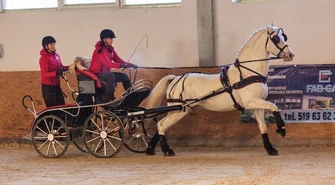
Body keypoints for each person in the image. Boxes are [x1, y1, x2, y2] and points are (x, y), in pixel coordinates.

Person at [90, 29, 137, 102]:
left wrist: (130, 64)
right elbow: (107, 63)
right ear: (104, 39)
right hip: (97, 73)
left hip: (105, 72)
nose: (112, 41)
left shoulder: (110, 50)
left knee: (124, 76)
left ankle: (131, 95)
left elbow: (118, 60)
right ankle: (109, 98)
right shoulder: (100, 50)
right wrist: (121, 65)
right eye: (110, 39)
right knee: (110, 76)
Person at [39, 36, 69, 107]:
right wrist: (56, 73)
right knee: (53, 108)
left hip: (56, 85)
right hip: (48, 87)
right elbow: (44, 74)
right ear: (46, 46)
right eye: (51, 44)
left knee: (62, 106)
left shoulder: (56, 55)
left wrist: (71, 67)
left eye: (54, 44)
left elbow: (61, 67)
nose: (53, 46)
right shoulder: (44, 58)